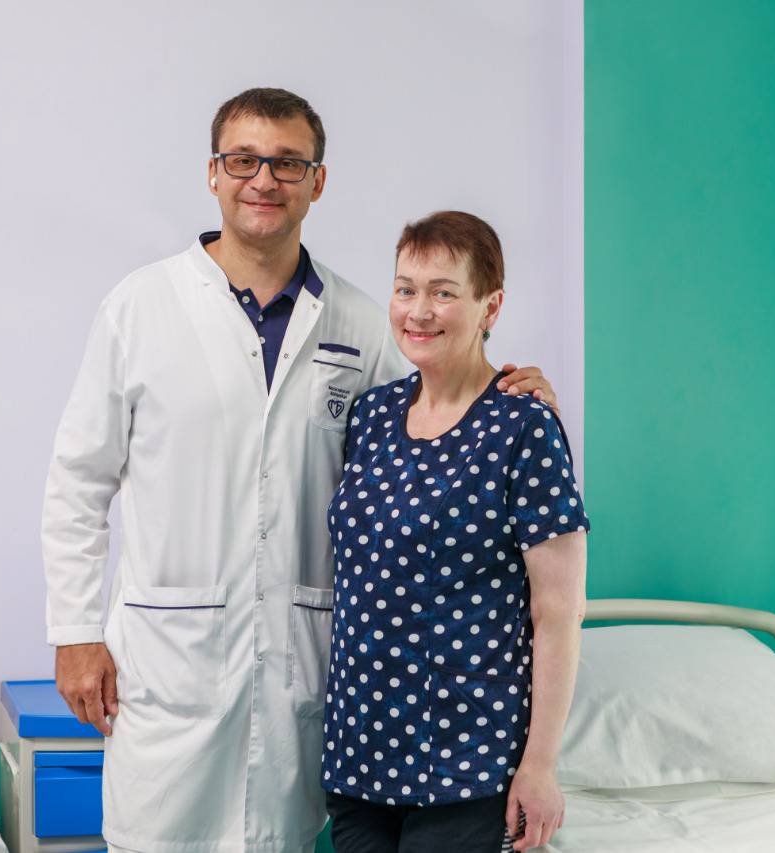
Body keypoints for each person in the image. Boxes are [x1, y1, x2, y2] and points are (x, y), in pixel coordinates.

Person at [42, 89, 557, 853]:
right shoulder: (139, 307)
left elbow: (437, 414)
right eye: (243, 160)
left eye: (288, 163)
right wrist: (75, 631)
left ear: (318, 182)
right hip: (167, 653)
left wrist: (511, 388)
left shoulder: (359, 321)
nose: (264, 179)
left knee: (281, 835)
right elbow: (78, 481)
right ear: (212, 173)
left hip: (301, 659)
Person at [320, 211, 589, 852]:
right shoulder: (372, 415)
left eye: (444, 292)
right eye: (406, 289)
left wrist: (540, 766)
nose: (419, 311)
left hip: (465, 758)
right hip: (360, 750)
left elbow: (557, 613)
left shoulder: (523, 425)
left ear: (490, 306)